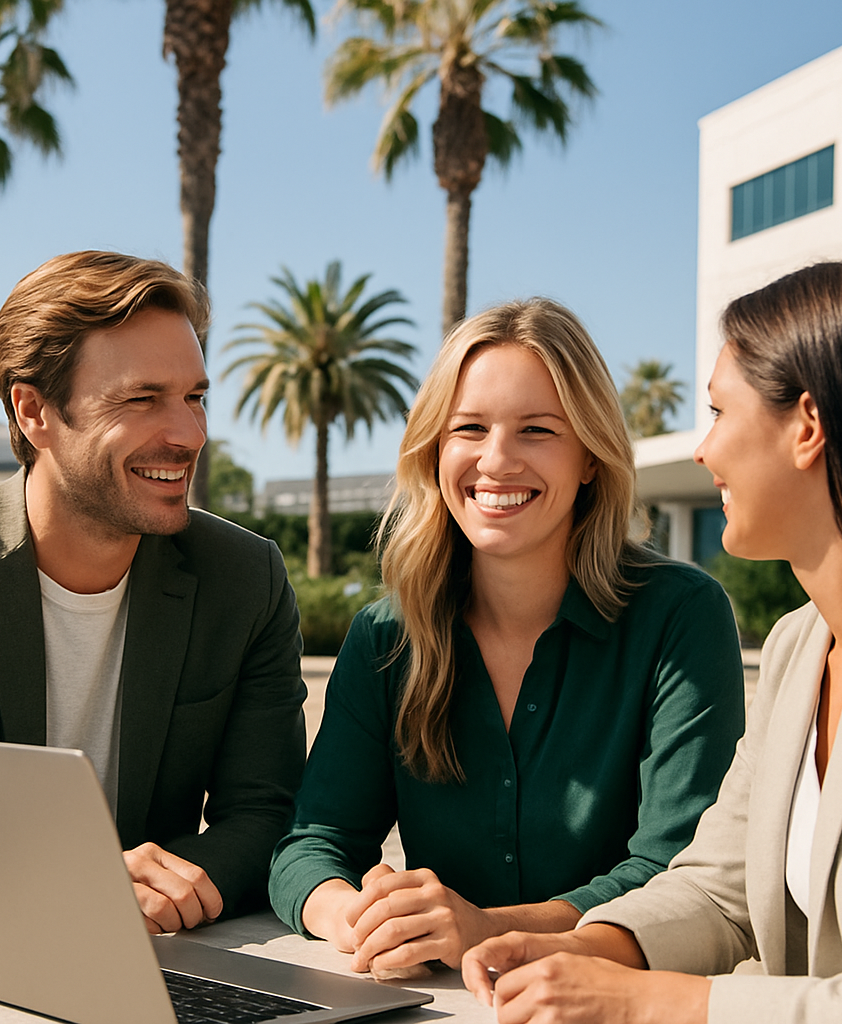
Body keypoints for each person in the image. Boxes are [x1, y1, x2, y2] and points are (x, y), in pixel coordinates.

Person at [462, 256, 842, 1024]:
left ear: (808, 427)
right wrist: (586, 949)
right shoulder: (798, 646)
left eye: (720, 414)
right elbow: (720, 889)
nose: (702, 450)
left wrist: (639, 1000)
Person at [268, 298, 744, 976]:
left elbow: (677, 874)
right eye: (469, 428)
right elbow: (311, 844)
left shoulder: (680, 617)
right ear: (434, 451)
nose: (496, 461)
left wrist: (488, 929)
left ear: (589, 457)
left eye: (537, 431)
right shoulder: (384, 638)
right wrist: (359, 917)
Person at [0, 250, 306, 936]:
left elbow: (267, 813)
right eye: (141, 398)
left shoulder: (244, 580)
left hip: (150, 956)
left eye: (194, 397)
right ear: (35, 411)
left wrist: (178, 885)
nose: (190, 435)